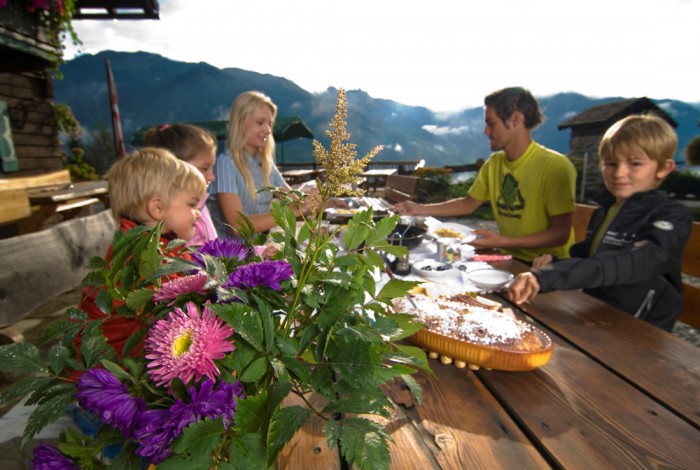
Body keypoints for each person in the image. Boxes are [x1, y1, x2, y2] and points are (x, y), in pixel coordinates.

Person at [507, 114, 692, 331]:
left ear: (663, 168)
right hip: (596, 314)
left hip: (641, 331)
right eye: (611, 163)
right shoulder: (606, 210)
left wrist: (549, 276)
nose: (619, 173)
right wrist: (556, 262)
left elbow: (638, 260)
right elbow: (591, 260)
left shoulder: (672, 216)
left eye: (635, 164)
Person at [394, 87, 577, 263]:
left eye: (491, 123)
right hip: (507, 256)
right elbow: (468, 204)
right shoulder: (494, 163)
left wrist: (502, 242)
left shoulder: (555, 166)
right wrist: (418, 208)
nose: (486, 131)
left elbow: (560, 234)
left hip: (547, 265)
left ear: (514, 119)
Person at [78, 148, 207, 357]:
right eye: (192, 204)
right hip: (111, 372)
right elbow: (178, 307)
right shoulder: (142, 255)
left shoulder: (149, 240)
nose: (198, 213)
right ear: (157, 208)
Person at [208, 91, 315, 236]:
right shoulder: (225, 163)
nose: (268, 130)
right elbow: (237, 226)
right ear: (240, 123)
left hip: (259, 251)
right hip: (229, 256)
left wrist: (325, 200)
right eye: (260, 122)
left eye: (270, 124)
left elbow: (293, 201)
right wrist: (292, 211)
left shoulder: (265, 164)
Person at [142, 123, 218, 245]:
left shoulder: (199, 205)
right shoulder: (178, 215)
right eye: (205, 168)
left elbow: (215, 246)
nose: (212, 177)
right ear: (176, 170)